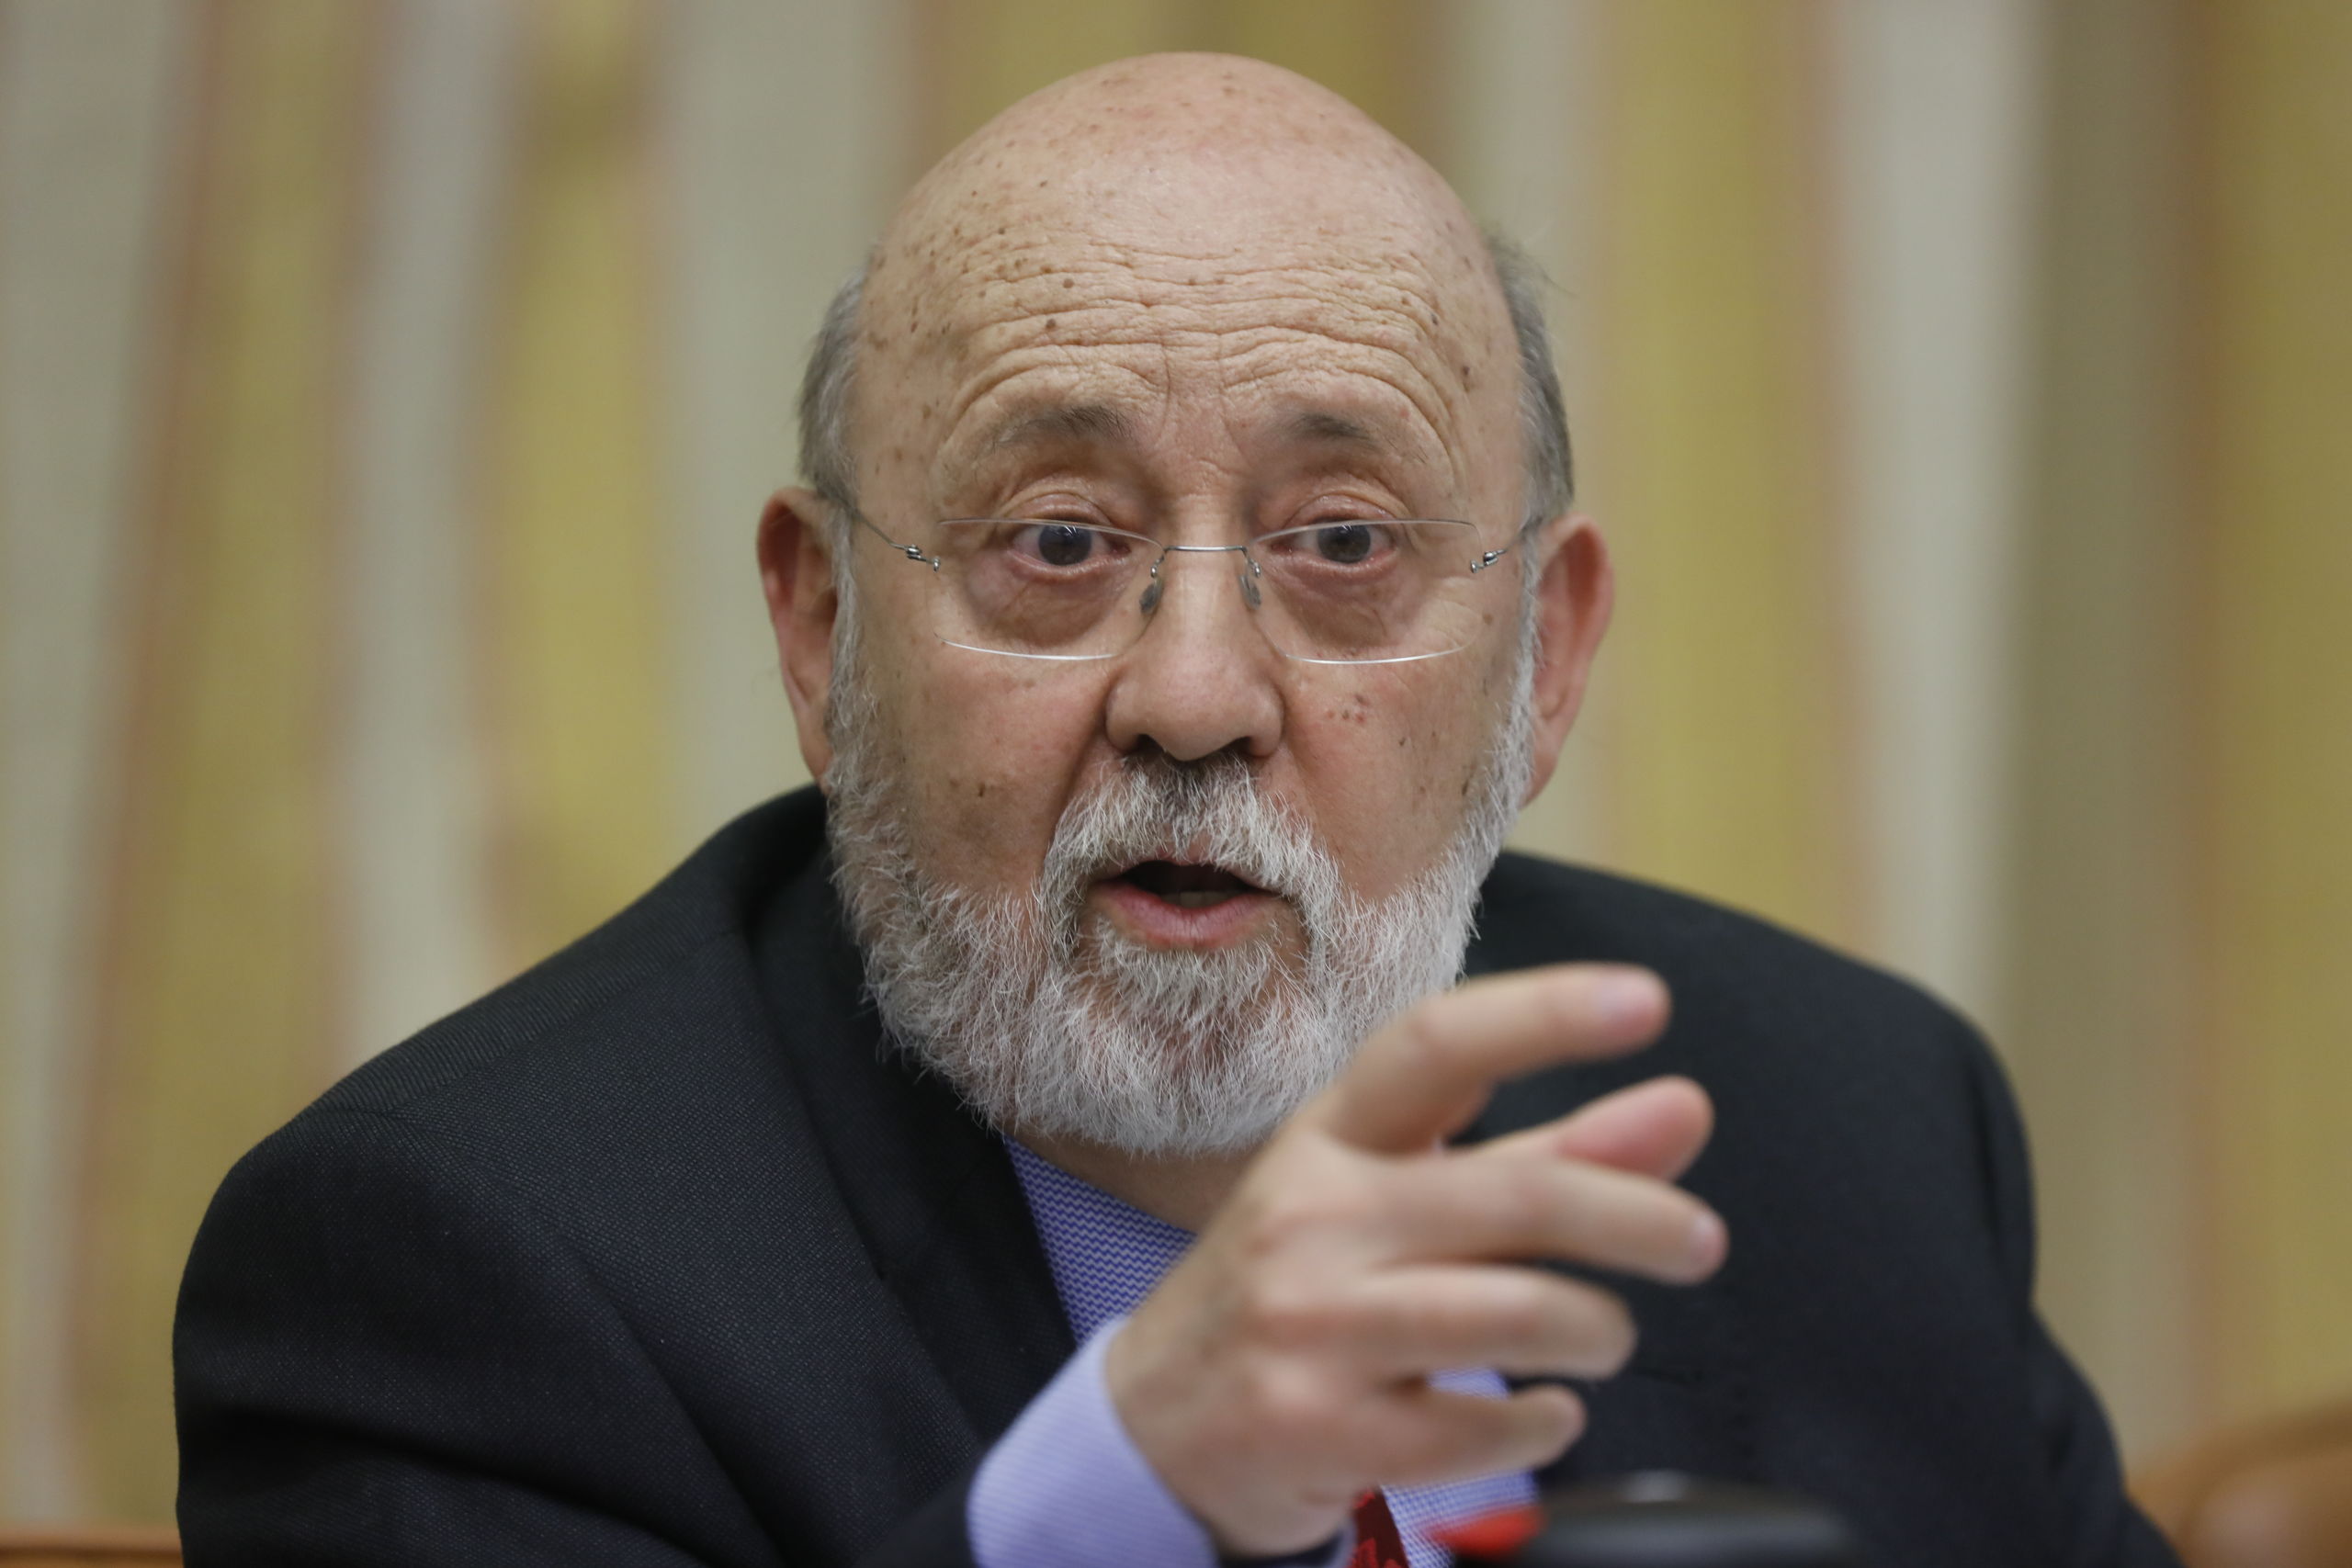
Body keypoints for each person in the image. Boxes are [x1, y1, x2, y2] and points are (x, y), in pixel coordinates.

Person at [175, 54, 2178, 1568]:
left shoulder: (1849, 1125)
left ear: (1547, 659)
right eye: (1058, 540)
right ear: (822, 628)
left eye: (1342, 541)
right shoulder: (456, 1272)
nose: (1196, 698)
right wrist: (1122, 1496)